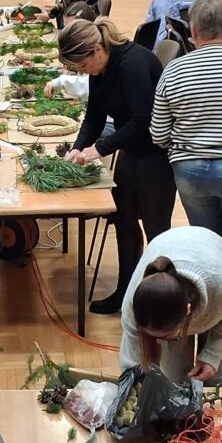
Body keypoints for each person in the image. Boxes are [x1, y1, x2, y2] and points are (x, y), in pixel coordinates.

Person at [58, 18, 176, 314]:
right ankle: (126, 292)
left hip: (156, 155)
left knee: (156, 231)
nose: (82, 72)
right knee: (123, 220)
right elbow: (94, 117)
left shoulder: (132, 64)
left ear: (97, 49)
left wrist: (99, 149)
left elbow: (143, 120)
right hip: (131, 150)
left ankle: (162, 305)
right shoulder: (100, 68)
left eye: (83, 66)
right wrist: (77, 148)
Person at [151, 0, 222, 237]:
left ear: (192, 31)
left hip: (189, 169)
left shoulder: (174, 69)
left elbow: (158, 135)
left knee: (206, 241)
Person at [120, 226, 222, 385]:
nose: (159, 340)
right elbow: (131, 360)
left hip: (216, 285)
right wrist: (134, 388)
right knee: (173, 378)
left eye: (164, 336)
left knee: (217, 380)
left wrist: (212, 355)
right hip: (178, 311)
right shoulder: (134, 301)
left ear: (187, 310)